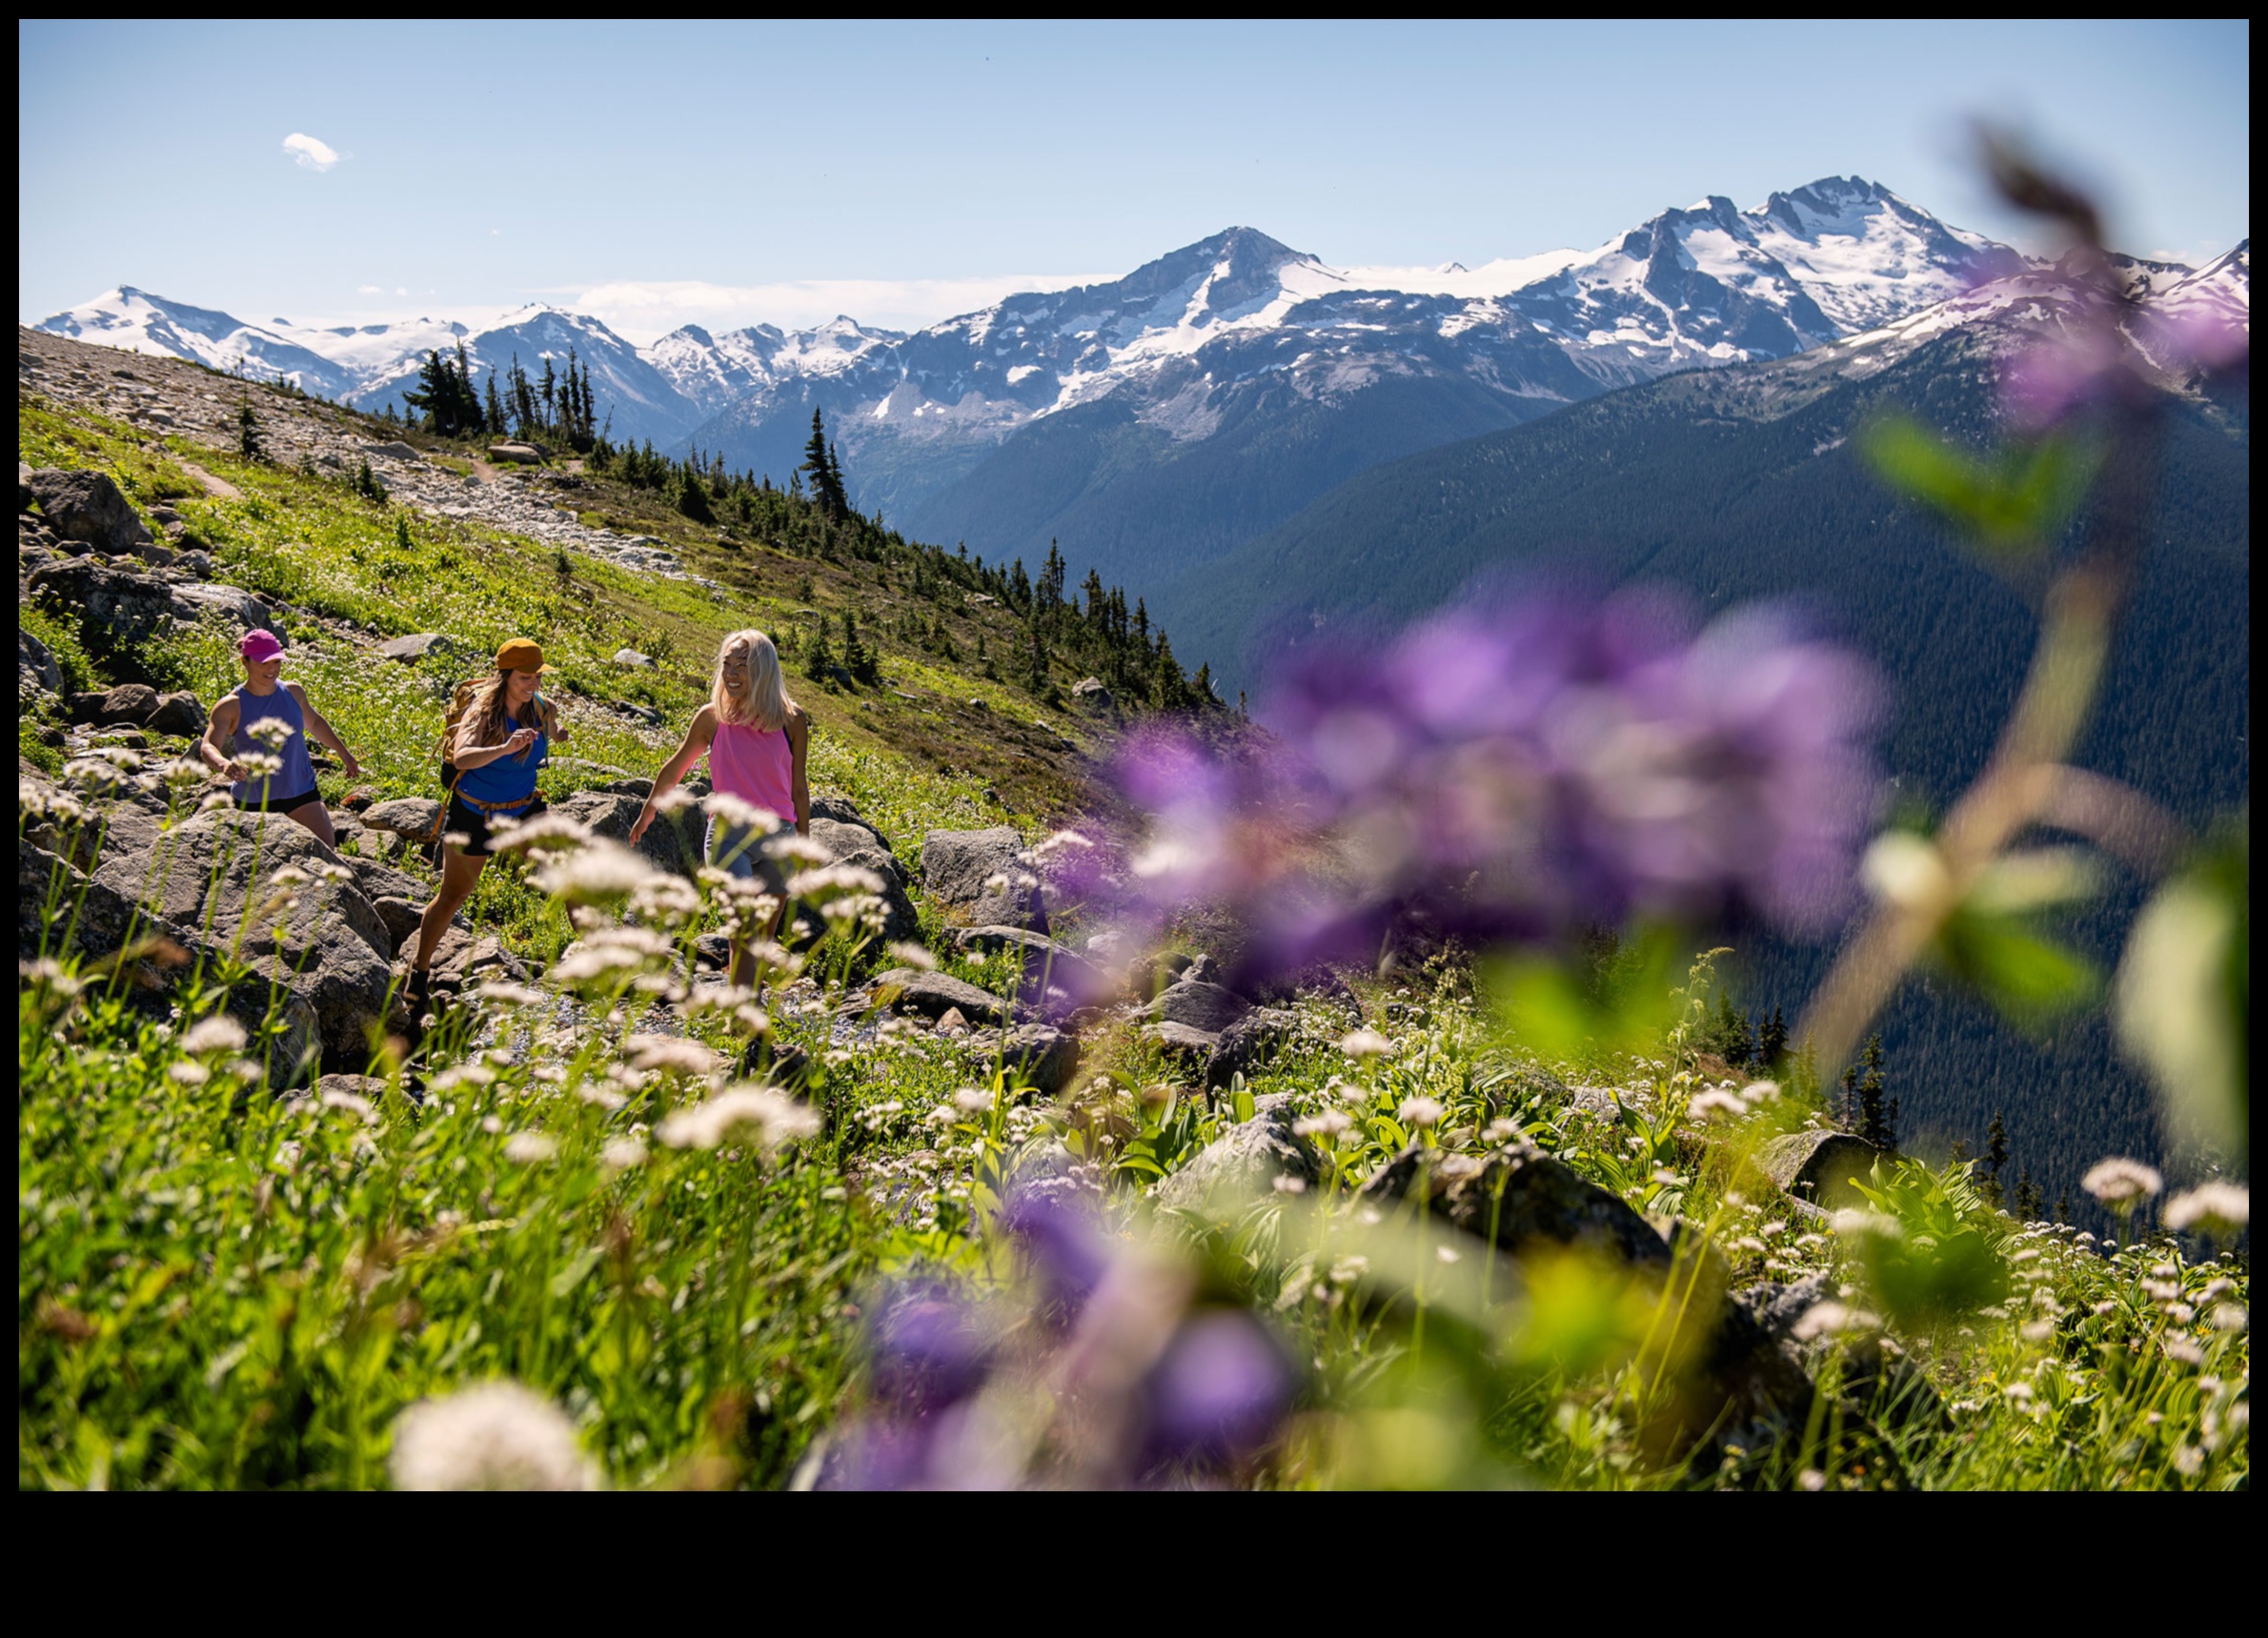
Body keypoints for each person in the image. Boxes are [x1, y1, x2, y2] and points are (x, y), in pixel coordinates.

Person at [630, 628, 810, 990]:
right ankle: (745, 1018)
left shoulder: (792, 720)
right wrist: (649, 809)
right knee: (743, 927)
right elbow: (676, 766)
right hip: (729, 837)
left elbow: (799, 787)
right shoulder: (712, 718)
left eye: (741, 665)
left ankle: (740, 1001)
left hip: (780, 838)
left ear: (763, 670)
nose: (731, 673)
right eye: (727, 664)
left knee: (760, 940)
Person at [407, 638, 565, 1004]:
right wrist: (505, 747)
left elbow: (553, 728)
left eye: (538, 677)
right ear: (506, 676)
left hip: (523, 810)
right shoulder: (482, 713)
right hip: (476, 814)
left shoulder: (541, 707)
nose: (534, 685)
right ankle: (420, 970)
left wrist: (558, 734)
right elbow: (462, 758)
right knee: (453, 897)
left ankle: (593, 964)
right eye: (526, 678)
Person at [198, 627, 360, 846]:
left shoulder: (294, 693)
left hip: (300, 790)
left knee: (326, 853)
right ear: (244, 662)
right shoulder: (231, 706)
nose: (271, 669)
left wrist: (344, 753)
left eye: (276, 662)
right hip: (254, 799)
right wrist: (224, 764)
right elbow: (208, 745)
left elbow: (314, 723)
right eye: (263, 663)